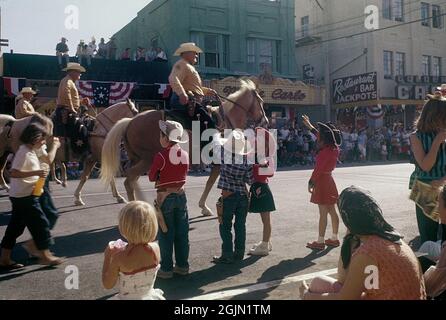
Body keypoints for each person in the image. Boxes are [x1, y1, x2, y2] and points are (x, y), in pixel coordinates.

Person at [300, 186, 426, 300]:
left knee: (316, 288)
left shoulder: (367, 254)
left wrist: (308, 296)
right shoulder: (394, 239)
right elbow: (344, 281)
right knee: (319, 282)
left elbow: (345, 297)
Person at [0, 123, 64, 271]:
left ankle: (4, 258)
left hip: (21, 195)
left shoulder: (29, 151)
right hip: (25, 197)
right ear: (34, 138)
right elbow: (14, 173)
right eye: (42, 139)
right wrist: (35, 173)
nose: (43, 142)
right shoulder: (24, 152)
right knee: (40, 224)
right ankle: (45, 256)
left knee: (15, 228)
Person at [148, 120, 190, 279]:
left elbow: (152, 177)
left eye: (161, 134)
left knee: (165, 234)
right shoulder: (185, 154)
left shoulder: (161, 155)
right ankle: (182, 266)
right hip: (181, 196)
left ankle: (166, 269)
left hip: (165, 197)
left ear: (166, 138)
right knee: (182, 234)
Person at [102, 201, 165, 300]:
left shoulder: (119, 257)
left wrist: (108, 256)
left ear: (124, 227)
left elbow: (107, 284)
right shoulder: (155, 248)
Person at [409, 93, 446, 244]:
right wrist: (437, 141)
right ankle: (430, 266)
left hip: (444, 186)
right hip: (425, 188)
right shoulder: (416, 137)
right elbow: (426, 166)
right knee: (428, 236)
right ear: (435, 117)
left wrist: (443, 180)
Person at [213, 130, 253, 264]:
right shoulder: (246, 160)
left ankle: (227, 254)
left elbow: (216, 142)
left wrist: (218, 133)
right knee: (240, 226)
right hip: (242, 195)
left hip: (228, 195)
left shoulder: (224, 155)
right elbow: (250, 180)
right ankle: (239, 253)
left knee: (225, 226)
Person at [302, 115, 341, 251]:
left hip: (322, 182)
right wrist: (309, 125)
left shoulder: (324, 152)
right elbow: (318, 134)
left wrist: (311, 182)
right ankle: (334, 238)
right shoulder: (334, 148)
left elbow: (317, 170)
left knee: (323, 213)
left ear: (325, 139)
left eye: (321, 138)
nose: (318, 139)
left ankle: (320, 241)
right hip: (329, 180)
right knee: (332, 211)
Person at [168, 42, 217, 131]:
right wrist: (181, 93)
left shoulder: (187, 66)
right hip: (186, 101)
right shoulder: (182, 64)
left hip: (190, 100)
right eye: (194, 52)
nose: (197, 55)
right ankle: (206, 143)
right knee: (208, 124)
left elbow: (191, 86)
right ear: (186, 53)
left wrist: (206, 91)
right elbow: (173, 78)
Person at [248, 128, 277, 256]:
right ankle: (267, 242)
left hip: (262, 189)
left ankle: (265, 245)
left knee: (266, 220)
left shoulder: (266, 157)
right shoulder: (257, 156)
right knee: (264, 219)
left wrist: (258, 166)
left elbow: (270, 173)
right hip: (257, 188)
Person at [54, 62, 86, 139]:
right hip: (66, 111)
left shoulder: (69, 81)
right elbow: (66, 94)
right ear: (73, 72)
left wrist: (81, 101)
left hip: (67, 110)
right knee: (82, 129)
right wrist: (71, 108)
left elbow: (69, 97)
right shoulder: (67, 81)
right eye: (78, 72)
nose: (80, 74)